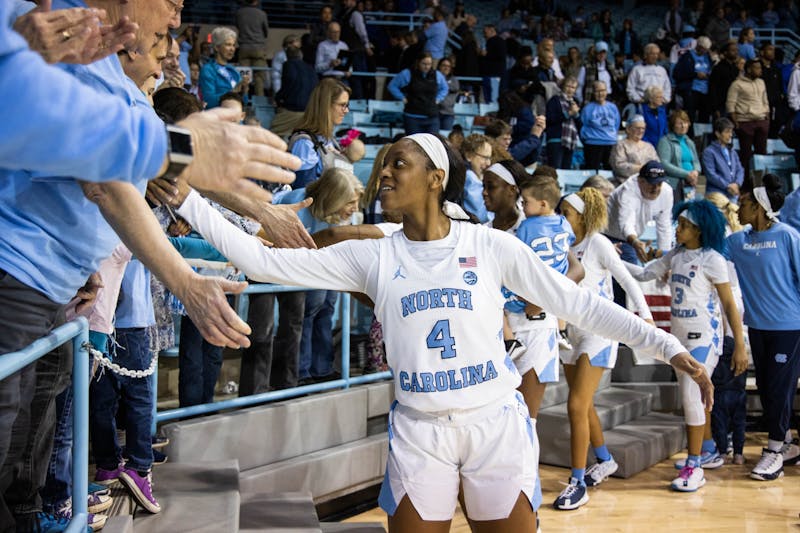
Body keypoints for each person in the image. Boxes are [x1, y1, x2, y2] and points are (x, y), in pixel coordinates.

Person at [172, 132, 713, 532]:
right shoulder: (372, 258)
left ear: (436, 177)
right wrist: (185, 196)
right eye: (383, 165)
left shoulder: (489, 245)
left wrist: (666, 346)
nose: (383, 173)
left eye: (397, 164)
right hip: (419, 431)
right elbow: (258, 260)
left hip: (495, 424)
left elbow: (578, 303)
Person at [0, 1, 310, 527]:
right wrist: (187, 277)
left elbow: (147, 171)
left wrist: (254, 209)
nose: (174, 26)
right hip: (22, 274)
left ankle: (33, 515)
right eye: (170, 6)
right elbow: (114, 173)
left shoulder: (91, 55)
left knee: (34, 431)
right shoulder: (54, 26)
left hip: (59, 280)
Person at [627, 200, 746, 492]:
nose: (677, 229)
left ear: (699, 229)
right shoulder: (677, 255)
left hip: (706, 339)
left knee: (692, 396)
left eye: (683, 225)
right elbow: (644, 274)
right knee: (695, 399)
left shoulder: (713, 259)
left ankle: (695, 466)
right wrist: (613, 260)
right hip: (679, 339)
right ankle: (708, 448)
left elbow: (729, 305)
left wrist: (739, 344)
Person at [554, 187, 654, 510]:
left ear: (581, 216)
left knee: (575, 405)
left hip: (599, 332)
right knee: (583, 406)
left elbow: (627, 279)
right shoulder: (561, 245)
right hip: (572, 332)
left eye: (565, 213)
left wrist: (646, 316)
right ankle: (605, 459)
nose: (560, 218)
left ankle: (577, 482)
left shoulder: (597, 243)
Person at [726, 174, 800, 481]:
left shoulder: (787, 236)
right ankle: (786, 444)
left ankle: (773, 453)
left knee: (781, 389)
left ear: (758, 207)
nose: (737, 208)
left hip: (789, 327)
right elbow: (708, 255)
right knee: (769, 389)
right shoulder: (737, 241)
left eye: (743, 203)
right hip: (757, 327)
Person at [273, 168, 364, 384]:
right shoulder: (298, 203)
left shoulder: (338, 212)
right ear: (334, 197)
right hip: (294, 264)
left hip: (323, 264)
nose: (355, 208)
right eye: (350, 202)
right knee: (307, 312)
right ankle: (302, 371)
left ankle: (322, 369)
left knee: (326, 307)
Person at [509, 174, 583, 420]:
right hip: (530, 314)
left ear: (542, 203)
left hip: (534, 322)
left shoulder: (527, 226)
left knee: (525, 418)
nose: (522, 206)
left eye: (525, 201)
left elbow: (578, 271)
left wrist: (542, 296)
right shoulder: (563, 224)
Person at [606, 160, 674, 265]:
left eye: (659, 184)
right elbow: (626, 223)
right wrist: (635, 242)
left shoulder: (667, 192)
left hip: (632, 239)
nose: (656, 188)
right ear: (640, 181)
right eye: (652, 184)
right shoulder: (627, 191)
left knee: (629, 276)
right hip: (607, 234)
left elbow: (664, 227)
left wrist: (665, 260)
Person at [288, 78, 351, 188]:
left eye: (347, 105)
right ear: (326, 105)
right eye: (342, 105)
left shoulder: (329, 139)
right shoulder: (304, 143)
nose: (346, 110)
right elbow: (304, 193)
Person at [726, 59, 770, 177]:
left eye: (760, 68)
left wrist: (766, 117)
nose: (760, 70)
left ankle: (761, 182)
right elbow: (731, 104)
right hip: (744, 122)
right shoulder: (737, 84)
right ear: (749, 69)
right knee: (746, 154)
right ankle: (744, 182)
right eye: (757, 68)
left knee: (762, 153)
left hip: (761, 120)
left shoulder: (761, 82)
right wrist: (736, 122)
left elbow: (765, 100)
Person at [387, 52, 448, 134]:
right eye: (424, 64)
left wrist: (438, 98)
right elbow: (392, 86)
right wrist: (402, 97)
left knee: (432, 144)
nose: (427, 67)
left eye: (429, 64)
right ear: (418, 62)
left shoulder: (437, 75)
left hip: (432, 118)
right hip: (412, 117)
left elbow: (445, 88)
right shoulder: (407, 73)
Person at [272, 45, 319, 138]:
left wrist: (278, 98)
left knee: (273, 136)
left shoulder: (288, 65)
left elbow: (288, 84)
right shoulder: (310, 68)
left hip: (292, 110)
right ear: (301, 55)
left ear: (287, 56)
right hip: (309, 112)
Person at [199, 27, 250, 109]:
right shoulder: (208, 70)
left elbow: (244, 102)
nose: (232, 49)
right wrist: (232, 92)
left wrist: (244, 90)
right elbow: (208, 101)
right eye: (228, 45)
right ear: (217, 47)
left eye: (233, 45)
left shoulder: (233, 71)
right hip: (217, 118)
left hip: (235, 118)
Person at [657, 110, 701, 202]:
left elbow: (696, 161)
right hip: (674, 184)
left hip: (689, 183)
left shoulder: (689, 142)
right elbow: (664, 164)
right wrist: (686, 174)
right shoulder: (665, 141)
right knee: (676, 212)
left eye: (685, 123)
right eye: (680, 123)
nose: (683, 126)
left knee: (687, 213)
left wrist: (695, 173)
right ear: (673, 125)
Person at [701, 117, 745, 201]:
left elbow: (740, 170)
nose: (730, 135)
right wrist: (728, 186)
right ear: (717, 134)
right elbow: (711, 174)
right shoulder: (709, 152)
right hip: (716, 194)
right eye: (727, 132)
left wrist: (737, 184)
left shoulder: (733, 152)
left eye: (731, 132)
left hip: (732, 194)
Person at [580, 81, 620, 170]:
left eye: (603, 90)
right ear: (593, 93)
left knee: (610, 172)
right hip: (593, 144)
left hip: (610, 143)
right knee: (592, 172)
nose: (600, 93)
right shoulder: (587, 108)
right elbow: (583, 127)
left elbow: (616, 125)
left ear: (606, 91)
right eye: (597, 91)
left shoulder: (613, 107)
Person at [673, 35, 712, 123]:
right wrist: (695, 74)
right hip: (691, 89)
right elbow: (677, 73)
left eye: (706, 49)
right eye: (703, 49)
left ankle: (701, 135)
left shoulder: (707, 57)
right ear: (698, 46)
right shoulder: (687, 56)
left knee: (704, 115)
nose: (705, 51)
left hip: (705, 90)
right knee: (690, 115)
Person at [545, 76, 581, 169]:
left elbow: (579, 124)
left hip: (570, 141)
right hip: (556, 140)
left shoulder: (575, 102)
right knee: (555, 169)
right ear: (563, 86)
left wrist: (576, 114)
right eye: (568, 86)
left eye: (573, 87)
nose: (570, 90)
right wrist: (568, 113)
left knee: (566, 170)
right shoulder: (555, 100)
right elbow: (550, 119)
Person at [609, 114, 659, 181]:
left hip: (648, 182)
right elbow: (618, 166)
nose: (641, 131)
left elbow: (657, 164)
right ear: (628, 129)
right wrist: (642, 169)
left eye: (643, 128)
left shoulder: (649, 146)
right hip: (626, 183)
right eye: (638, 128)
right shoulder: (620, 145)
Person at [235, 0, 268, 97]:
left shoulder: (239, 13)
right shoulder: (262, 14)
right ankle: (259, 100)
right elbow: (265, 31)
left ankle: (243, 101)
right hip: (258, 48)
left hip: (243, 47)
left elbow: (238, 26)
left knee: (244, 77)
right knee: (259, 77)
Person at [461, 133, 493, 223]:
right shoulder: (470, 177)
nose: (488, 163)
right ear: (469, 156)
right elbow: (482, 217)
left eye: (489, 158)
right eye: (485, 157)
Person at [708, 42, 741, 119]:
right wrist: (715, 108)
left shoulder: (736, 69)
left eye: (737, 50)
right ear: (725, 52)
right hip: (721, 106)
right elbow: (713, 88)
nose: (736, 52)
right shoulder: (718, 68)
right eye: (733, 50)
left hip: (734, 105)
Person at [480, 24, 506, 103]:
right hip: (490, 74)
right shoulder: (493, 41)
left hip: (494, 74)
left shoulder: (497, 41)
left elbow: (499, 56)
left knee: (493, 99)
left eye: (485, 32)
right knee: (489, 98)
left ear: (492, 30)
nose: (484, 35)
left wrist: (486, 54)